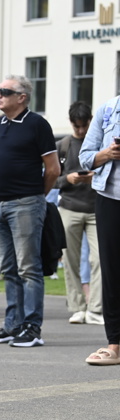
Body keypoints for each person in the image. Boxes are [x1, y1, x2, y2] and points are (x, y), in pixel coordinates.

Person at [0, 75, 59, 348]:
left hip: (26, 203)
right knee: (9, 268)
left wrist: (36, 196)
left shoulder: (37, 124)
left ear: (22, 97)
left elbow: (53, 169)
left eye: (4, 91)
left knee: (28, 268)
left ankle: (32, 327)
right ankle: (13, 325)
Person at [79, 92, 120, 365]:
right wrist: (107, 154)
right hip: (110, 199)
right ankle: (114, 344)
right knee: (112, 272)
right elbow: (85, 157)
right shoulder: (108, 110)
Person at [56, 101, 102, 326]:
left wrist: (96, 177)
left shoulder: (100, 144)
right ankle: (77, 308)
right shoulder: (62, 146)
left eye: (85, 125)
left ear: (91, 121)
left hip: (96, 209)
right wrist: (68, 179)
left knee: (100, 260)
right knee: (70, 260)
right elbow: (50, 179)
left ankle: (96, 309)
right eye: (77, 126)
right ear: (71, 123)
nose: (82, 130)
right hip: (69, 207)